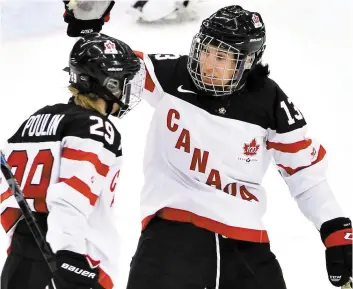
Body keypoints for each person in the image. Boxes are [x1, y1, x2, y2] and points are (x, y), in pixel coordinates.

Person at [63, 2, 353, 288]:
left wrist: (335, 228)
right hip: (172, 234)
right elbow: (112, 68)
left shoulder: (270, 102)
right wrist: (89, 30)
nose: (209, 64)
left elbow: (305, 175)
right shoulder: (171, 75)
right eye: (206, 51)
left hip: (246, 244)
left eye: (223, 57)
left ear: (247, 62)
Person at [0, 33, 143, 289]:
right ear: (109, 83)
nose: (128, 86)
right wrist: (69, 256)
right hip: (71, 262)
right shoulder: (96, 128)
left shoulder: (36, 120)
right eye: (124, 79)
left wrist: (19, 243)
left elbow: (5, 190)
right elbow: (70, 197)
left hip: (21, 262)